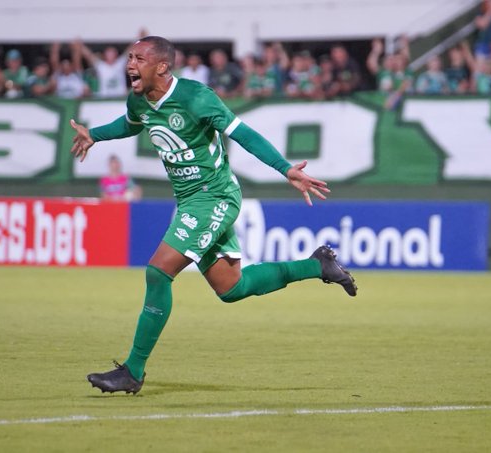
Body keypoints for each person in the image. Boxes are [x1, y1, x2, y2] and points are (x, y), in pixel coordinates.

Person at [70, 36, 357, 395]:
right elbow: (132, 123)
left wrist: (286, 169)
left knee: (158, 273)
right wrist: (95, 135)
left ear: (161, 66)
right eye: (129, 57)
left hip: (214, 196)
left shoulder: (196, 97)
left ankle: (133, 370)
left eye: (138, 58)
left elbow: (243, 134)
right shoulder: (140, 100)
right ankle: (317, 266)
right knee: (230, 288)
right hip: (189, 199)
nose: (130, 64)